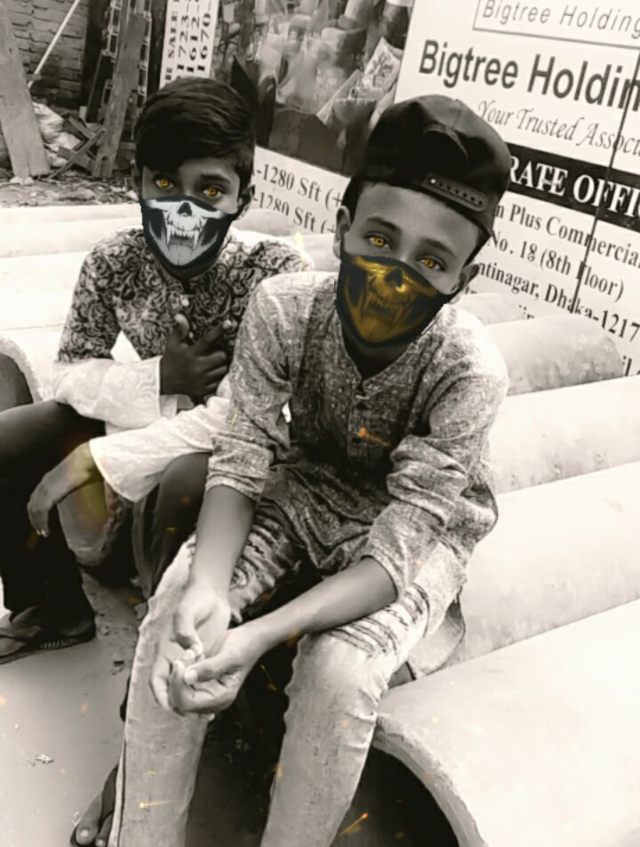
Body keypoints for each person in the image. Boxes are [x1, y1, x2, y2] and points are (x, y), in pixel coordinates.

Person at [102, 93, 513, 847]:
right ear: (343, 226)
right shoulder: (283, 310)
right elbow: (242, 460)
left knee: (337, 673)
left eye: (431, 261)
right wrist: (210, 590)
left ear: (463, 277)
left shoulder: (469, 370)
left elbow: (398, 552)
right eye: (380, 239)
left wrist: (258, 634)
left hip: (416, 537)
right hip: (306, 489)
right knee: (177, 611)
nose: (395, 276)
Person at [0, 75, 310, 667]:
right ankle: (51, 605)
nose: (184, 209)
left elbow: (246, 420)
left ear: (243, 197)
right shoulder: (115, 260)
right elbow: (71, 370)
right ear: (136, 182)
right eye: (165, 184)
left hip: (239, 459)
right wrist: (161, 378)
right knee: (8, 441)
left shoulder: (273, 274)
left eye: (210, 189)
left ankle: (171, 668)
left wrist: (95, 459)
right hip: (146, 421)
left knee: (184, 483)